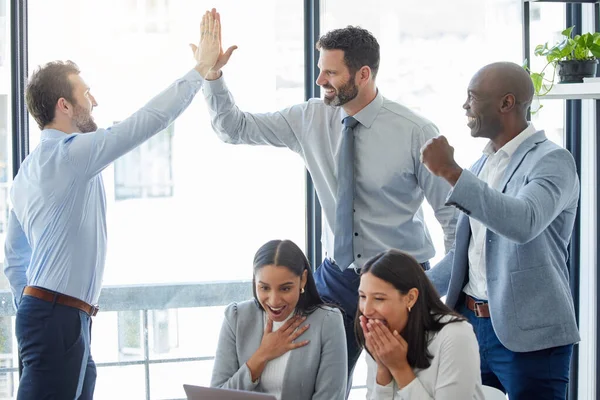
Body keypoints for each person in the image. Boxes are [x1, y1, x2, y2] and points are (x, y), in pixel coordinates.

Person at [196, 9, 458, 381]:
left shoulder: (415, 131)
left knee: (400, 384)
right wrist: (212, 76)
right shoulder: (309, 119)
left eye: (331, 73)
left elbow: (453, 219)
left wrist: (432, 292)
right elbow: (233, 128)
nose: (320, 80)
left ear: (364, 74)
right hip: (337, 280)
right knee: (315, 380)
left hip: (402, 282)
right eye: (321, 70)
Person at [3, 10, 224, 400]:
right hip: (59, 316)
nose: (95, 100)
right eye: (86, 93)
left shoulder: (26, 172)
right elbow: (146, 122)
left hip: (59, 315)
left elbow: (13, 259)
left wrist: (33, 304)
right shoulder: (72, 154)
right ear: (64, 106)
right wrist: (199, 71)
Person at [422, 62, 580, 399]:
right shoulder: (483, 165)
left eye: (473, 97)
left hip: (530, 337)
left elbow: (523, 222)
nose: (465, 106)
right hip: (470, 326)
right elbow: (467, 254)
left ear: (506, 103)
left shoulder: (554, 161)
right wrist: (407, 288)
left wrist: (451, 172)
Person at [211, 239, 347, 400]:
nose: (274, 301)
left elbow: (331, 396)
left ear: (303, 279)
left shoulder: (327, 322)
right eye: (264, 288)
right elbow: (216, 396)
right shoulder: (236, 317)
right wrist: (262, 355)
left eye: (285, 288)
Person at [356, 249, 483, 399]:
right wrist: (383, 369)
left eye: (379, 298)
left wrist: (399, 368)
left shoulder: (455, 335)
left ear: (410, 298)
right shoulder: (379, 335)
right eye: (362, 296)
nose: (367, 310)